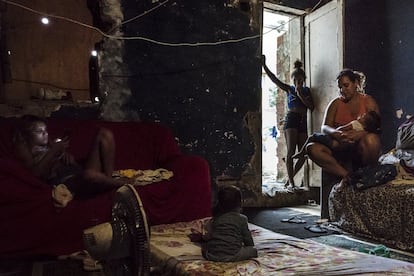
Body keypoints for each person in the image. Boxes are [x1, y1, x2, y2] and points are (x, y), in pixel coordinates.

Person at [305, 69, 381, 218]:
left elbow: (376, 127)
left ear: (356, 84)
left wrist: (359, 134)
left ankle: (366, 174)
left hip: (359, 147)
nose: (342, 90)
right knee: (312, 148)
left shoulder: (368, 101)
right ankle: (347, 176)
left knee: (372, 140)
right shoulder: (336, 103)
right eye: (340, 87)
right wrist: (336, 134)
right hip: (340, 145)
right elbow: (325, 127)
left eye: (346, 85)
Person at [13, 115, 126, 198]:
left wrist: (64, 155)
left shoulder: (46, 141)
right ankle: (129, 185)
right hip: (65, 181)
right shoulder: (24, 146)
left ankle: (108, 180)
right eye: (39, 131)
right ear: (27, 133)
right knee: (90, 175)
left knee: (105, 134)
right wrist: (54, 150)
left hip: (76, 170)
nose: (45, 133)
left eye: (45, 130)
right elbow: (34, 175)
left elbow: (59, 153)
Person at [262, 55, 314, 190]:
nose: (298, 82)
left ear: (304, 80)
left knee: (302, 154)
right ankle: (291, 183)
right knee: (291, 151)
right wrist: (264, 65)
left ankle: (288, 179)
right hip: (291, 120)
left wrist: (301, 94)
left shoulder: (307, 91)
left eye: (300, 80)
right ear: (293, 80)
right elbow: (274, 79)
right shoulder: (289, 89)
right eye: (296, 80)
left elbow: (311, 106)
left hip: (303, 121)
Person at [190, 185, 257, 262]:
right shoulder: (242, 219)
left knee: (206, 246)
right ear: (240, 203)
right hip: (233, 255)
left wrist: (202, 238)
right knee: (253, 250)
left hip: (213, 255)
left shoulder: (216, 218)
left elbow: (209, 235)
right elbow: (248, 240)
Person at [293, 110, 381, 160]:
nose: (361, 115)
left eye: (363, 115)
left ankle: (301, 153)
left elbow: (340, 130)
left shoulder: (355, 123)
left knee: (313, 136)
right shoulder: (364, 131)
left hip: (335, 142)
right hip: (345, 149)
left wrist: (337, 131)